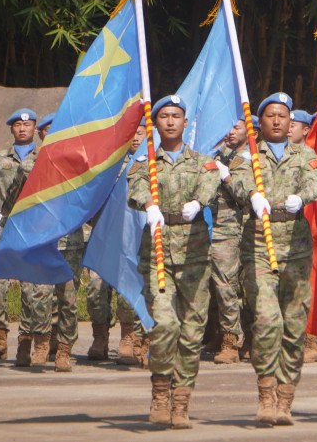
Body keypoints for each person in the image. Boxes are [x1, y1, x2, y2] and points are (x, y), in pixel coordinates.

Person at [224, 92, 317, 427]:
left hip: (295, 244)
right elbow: (236, 181)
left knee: (294, 328)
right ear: (261, 121)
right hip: (258, 243)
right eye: (271, 116)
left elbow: (316, 182)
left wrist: (301, 197)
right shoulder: (249, 154)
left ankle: (285, 400)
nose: (278, 121)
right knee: (267, 322)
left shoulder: (304, 153)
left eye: (284, 116)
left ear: (291, 121)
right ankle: (265, 394)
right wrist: (252, 194)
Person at [128, 94, 220, 429]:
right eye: (164, 115)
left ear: (185, 123)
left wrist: (199, 202)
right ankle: (160, 390)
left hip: (194, 254)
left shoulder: (202, 162)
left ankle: (181, 402)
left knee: (192, 333)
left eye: (175, 116)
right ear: (156, 122)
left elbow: (211, 185)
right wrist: (148, 204)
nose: (169, 121)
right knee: (165, 325)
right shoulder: (145, 163)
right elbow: (135, 188)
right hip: (158, 252)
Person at [0, 108, 49, 365]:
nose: (22, 128)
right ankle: (0, 340)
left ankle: (25, 343)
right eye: (17, 125)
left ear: (35, 129)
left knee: (31, 292)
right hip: (5, 230)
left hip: (33, 230)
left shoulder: (46, 157)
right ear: (11, 129)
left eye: (27, 125)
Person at [85, 119, 148, 363]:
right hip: (105, 236)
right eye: (131, 133)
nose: (135, 138)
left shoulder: (151, 165)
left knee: (128, 290)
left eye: (140, 133)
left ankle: (128, 336)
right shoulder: (109, 166)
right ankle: (99, 337)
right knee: (96, 290)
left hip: (136, 239)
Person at [32, 113, 87, 372]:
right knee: (41, 296)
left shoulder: (77, 162)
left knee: (68, 298)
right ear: (40, 134)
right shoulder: (30, 163)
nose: (52, 133)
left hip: (71, 241)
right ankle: (41, 344)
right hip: (42, 239)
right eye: (46, 130)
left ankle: (64, 349)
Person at [209, 117, 249, 364]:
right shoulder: (213, 154)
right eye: (228, 125)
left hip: (231, 229)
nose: (230, 131)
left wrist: (227, 177)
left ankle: (230, 341)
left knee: (228, 286)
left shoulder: (250, 159)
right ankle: (211, 333)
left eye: (237, 127)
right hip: (205, 227)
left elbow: (246, 194)